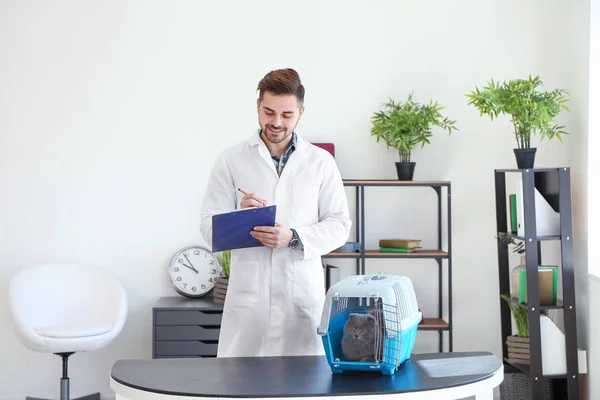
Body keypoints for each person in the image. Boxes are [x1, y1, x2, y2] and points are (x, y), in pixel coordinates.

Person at [200, 68, 352, 358]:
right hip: (249, 306)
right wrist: (238, 215)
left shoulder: (320, 162)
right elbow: (208, 227)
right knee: (241, 388)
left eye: (287, 115)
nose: (277, 123)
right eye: (269, 112)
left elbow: (340, 225)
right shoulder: (231, 159)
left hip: (301, 303)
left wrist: (294, 237)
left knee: (303, 388)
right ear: (258, 105)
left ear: (301, 112)